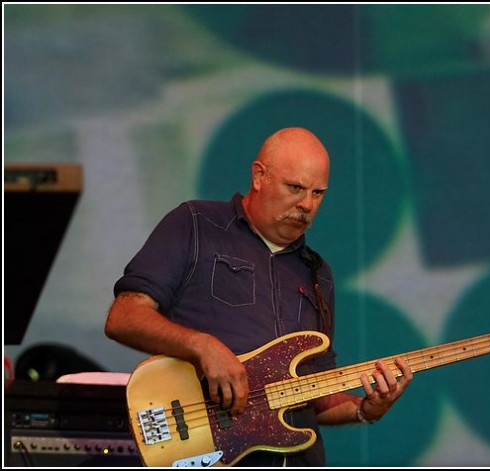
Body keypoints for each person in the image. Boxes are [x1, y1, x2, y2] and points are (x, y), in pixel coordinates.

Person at [104, 127, 413, 467]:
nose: (307, 205)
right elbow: (124, 317)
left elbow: (314, 395)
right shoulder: (195, 223)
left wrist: (364, 410)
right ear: (259, 175)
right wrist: (202, 346)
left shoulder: (317, 273)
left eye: (318, 193)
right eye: (294, 188)